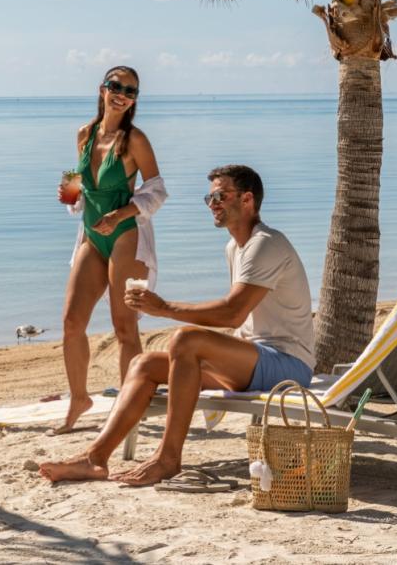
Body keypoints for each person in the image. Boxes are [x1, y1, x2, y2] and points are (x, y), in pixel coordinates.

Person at [39, 164, 314, 486]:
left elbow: (232, 314)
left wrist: (164, 308)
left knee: (186, 340)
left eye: (220, 196)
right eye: (208, 198)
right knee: (143, 363)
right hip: (254, 358)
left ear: (248, 199)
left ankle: (167, 459)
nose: (212, 203)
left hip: (288, 364)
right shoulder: (235, 247)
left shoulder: (265, 244)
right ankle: (94, 459)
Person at [53, 65, 167, 433]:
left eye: (130, 91)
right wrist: (69, 190)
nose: (122, 94)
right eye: (116, 86)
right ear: (102, 88)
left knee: (124, 326)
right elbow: (81, 183)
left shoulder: (135, 140)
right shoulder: (84, 134)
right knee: (71, 323)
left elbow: (157, 190)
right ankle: (78, 400)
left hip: (125, 234)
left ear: (135, 100)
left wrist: (120, 214)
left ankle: (129, 405)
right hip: (91, 234)